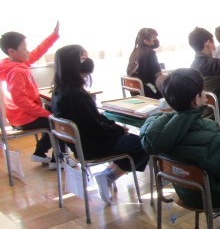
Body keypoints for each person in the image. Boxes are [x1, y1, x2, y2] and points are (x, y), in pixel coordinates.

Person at [140, 68, 220, 209]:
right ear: (196, 99)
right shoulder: (208, 132)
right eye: (202, 91)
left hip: (184, 191)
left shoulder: (155, 131)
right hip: (212, 195)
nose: (206, 95)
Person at [51, 45, 149, 204]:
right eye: (82, 58)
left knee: (132, 140)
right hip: (92, 146)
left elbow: (94, 118)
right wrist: (118, 131)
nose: (87, 61)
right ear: (72, 64)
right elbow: (95, 127)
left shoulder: (61, 90)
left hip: (82, 144)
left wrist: (116, 128)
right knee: (145, 144)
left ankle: (107, 174)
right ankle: (109, 176)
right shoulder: (74, 94)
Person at [0, 22, 60, 166]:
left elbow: (37, 52)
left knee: (54, 114)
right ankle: (58, 160)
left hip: (20, 116)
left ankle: (40, 153)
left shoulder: (14, 64)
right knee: (58, 122)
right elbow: (20, 101)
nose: (28, 52)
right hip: (24, 118)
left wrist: (53, 36)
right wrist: (45, 113)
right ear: (12, 51)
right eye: (24, 49)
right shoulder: (16, 71)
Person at [126, 28, 165, 99]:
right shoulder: (150, 53)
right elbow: (157, 76)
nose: (156, 40)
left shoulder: (134, 52)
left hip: (136, 92)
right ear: (146, 41)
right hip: (149, 92)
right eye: (154, 38)